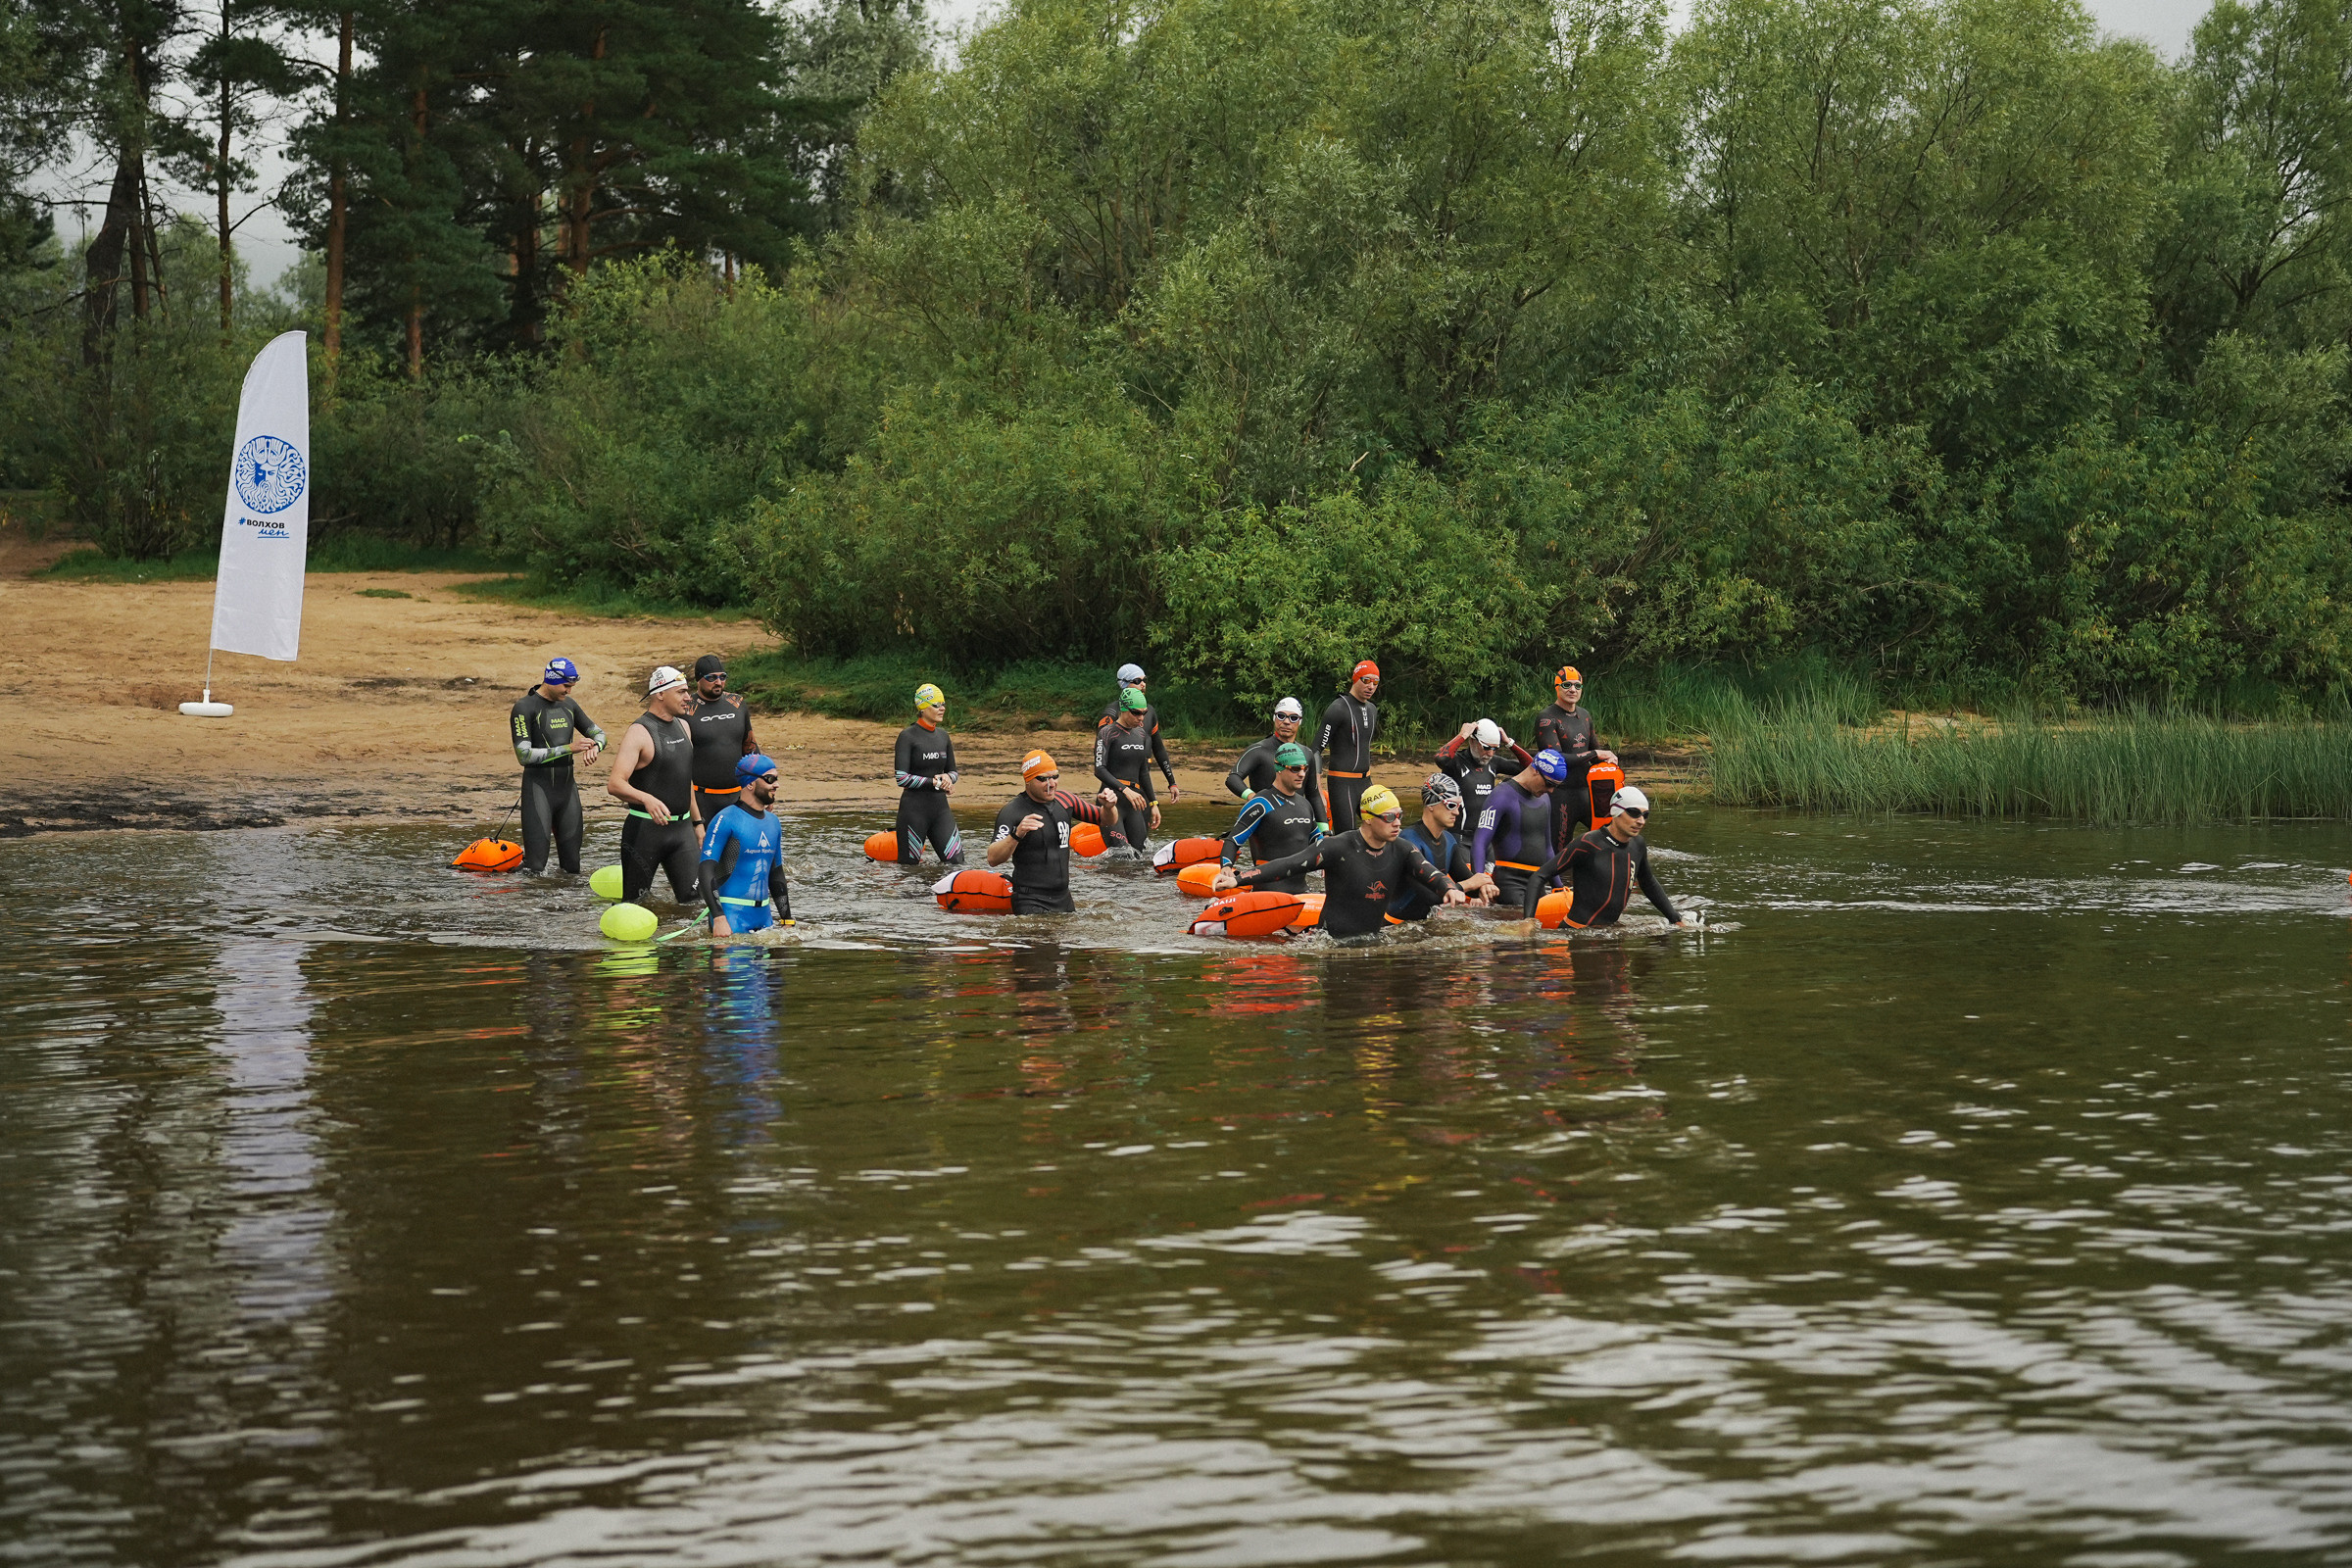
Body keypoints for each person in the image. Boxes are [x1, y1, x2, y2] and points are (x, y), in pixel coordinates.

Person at [1217, 784, 1464, 937]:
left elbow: (1429, 873)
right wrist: (1237, 880)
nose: (1397, 823)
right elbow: (1288, 865)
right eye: (1389, 817)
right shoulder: (1337, 847)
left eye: (1399, 815)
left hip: (1373, 940)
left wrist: (1449, 888)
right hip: (1331, 943)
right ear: (1368, 818)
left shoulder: (1402, 849)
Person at [1522, 785, 1691, 928]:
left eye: (1645, 815)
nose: (1641, 821)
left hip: (1610, 932)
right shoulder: (1588, 843)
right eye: (1634, 813)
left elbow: (1649, 884)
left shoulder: (1638, 845)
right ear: (1616, 811)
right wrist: (1528, 922)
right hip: (1577, 934)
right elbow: (1540, 875)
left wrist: (1676, 919)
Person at [606, 665, 702, 904]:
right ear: (660, 693)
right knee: (635, 904)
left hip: (682, 831)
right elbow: (615, 784)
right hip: (645, 832)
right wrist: (646, 798)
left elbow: (685, 780)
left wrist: (698, 823)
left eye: (687, 691)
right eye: (681, 692)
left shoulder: (684, 726)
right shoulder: (639, 732)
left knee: (694, 903)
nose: (688, 697)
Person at [987, 751, 1123, 914]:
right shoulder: (1013, 811)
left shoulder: (1065, 800)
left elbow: (1107, 820)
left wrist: (1109, 807)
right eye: (1043, 779)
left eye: (1055, 777)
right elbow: (993, 858)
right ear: (1028, 780)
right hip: (1030, 900)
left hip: (1063, 898)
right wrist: (1017, 834)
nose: (1051, 784)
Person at [509, 657, 605, 874]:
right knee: (535, 867)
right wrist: (569, 748)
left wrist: (595, 747)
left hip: (567, 792)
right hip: (538, 791)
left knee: (572, 868)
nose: (569, 691)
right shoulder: (524, 707)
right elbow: (524, 755)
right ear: (551, 680)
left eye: (572, 686)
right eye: (566, 686)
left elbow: (599, 734)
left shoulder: (569, 705)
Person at [701, 753, 794, 935]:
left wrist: (787, 919)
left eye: (777, 779)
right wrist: (718, 917)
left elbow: (776, 873)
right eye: (770, 779)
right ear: (750, 784)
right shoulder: (726, 819)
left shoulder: (773, 822)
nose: (776, 785)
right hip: (731, 917)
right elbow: (705, 870)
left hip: (764, 917)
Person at [1471, 748, 1572, 909]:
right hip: (1510, 882)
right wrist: (1479, 882)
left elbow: (1547, 848)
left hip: (1537, 882)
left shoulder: (1545, 798)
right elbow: (1480, 841)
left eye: (1556, 787)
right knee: (1520, 922)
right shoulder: (1502, 794)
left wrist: (1558, 887)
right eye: (1549, 784)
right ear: (1535, 771)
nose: (1551, 790)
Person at [1218, 742, 1326, 893]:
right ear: (1279, 769)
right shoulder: (1260, 803)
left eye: (1305, 769)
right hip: (1269, 893)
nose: (1302, 774)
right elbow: (1233, 840)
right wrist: (1226, 867)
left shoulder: (1305, 804)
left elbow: (1318, 841)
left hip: (1301, 891)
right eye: (1295, 769)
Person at [1391, 772, 1497, 922]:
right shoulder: (1408, 840)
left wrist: (1483, 888)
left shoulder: (1449, 840)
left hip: (1424, 923)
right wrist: (1469, 884)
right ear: (1431, 805)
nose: (1457, 812)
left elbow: (1467, 881)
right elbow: (1431, 896)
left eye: (1458, 806)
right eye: (1451, 805)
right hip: (1395, 925)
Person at [1225, 696, 1327, 830]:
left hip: (1296, 822)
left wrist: (1325, 831)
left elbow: (1313, 796)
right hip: (1265, 822)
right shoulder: (1258, 750)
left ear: (1300, 721)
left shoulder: (1306, 753)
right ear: (1274, 718)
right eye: (1281, 716)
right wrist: (1253, 797)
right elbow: (1233, 778)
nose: (1286, 722)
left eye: (1293, 718)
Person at [687, 654, 760, 826]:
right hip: (702, 799)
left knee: (738, 844)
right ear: (699, 679)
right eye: (711, 678)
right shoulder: (686, 708)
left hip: (737, 798)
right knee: (704, 844)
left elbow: (750, 748)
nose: (718, 682)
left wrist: (762, 789)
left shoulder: (736, 703)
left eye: (722, 677)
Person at [892, 682, 961, 864]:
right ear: (922, 708)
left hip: (941, 811)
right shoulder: (907, 736)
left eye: (943, 704)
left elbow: (953, 772)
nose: (942, 708)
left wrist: (948, 778)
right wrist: (935, 782)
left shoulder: (943, 736)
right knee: (909, 870)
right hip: (913, 812)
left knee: (956, 863)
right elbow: (901, 778)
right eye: (936, 704)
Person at [1432, 718, 1532, 834]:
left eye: (1495, 749)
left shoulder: (1494, 763)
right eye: (1486, 748)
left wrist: (1509, 743)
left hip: (1485, 837)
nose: (1490, 754)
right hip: (1459, 837)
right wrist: (1462, 735)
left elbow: (1532, 768)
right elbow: (1440, 758)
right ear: (1472, 741)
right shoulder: (1456, 762)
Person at [1097, 662, 1179, 801]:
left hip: (1143, 782)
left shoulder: (1149, 711)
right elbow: (1100, 759)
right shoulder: (1112, 713)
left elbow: (1158, 748)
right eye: (1137, 681)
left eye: (1144, 680)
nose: (1143, 684)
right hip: (1116, 787)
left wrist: (1172, 782)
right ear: (1123, 683)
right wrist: (1122, 789)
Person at [1094, 687, 1162, 853]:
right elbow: (1099, 769)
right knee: (1121, 855)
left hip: (1134, 804)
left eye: (1144, 713)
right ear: (1123, 709)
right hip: (1111, 802)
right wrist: (1125, 790)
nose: (1141, 718)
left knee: (1139, 856)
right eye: (1136, 713)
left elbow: (1143, 772)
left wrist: (1153, 803)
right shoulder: (1107, 733)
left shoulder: (1141, 735)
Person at [1319, 660, 1381, 825]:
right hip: (1342, 784)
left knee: (1381, 828)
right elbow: (1316, 749)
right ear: (1355, 679)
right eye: (1366, 680)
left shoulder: (1372, 709)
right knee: (1347, 834)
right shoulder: (1338, 708)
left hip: (1366, 781)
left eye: (1375, 682)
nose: (1371, 686)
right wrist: (1317, 790)